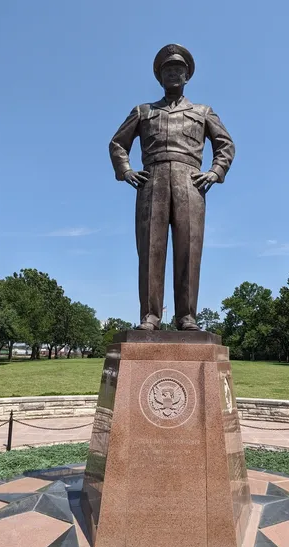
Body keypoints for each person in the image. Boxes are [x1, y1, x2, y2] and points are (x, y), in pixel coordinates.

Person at [109, 44, 235, 331]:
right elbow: (118, 143)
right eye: (168, 70)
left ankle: (186, 316)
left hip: (190, 181)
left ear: (187, 75)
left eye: (179, 69)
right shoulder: (143, 111)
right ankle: (150, 316)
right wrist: (125, 170)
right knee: (151, 250)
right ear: (160, 76)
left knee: (189, 249)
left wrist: (215, 172)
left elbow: (225, 145)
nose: (174, 74)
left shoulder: (203, 112)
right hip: (152, 180)